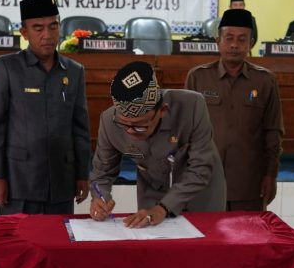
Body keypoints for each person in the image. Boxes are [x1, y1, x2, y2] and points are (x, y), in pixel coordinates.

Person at [0, 0, 90, 215]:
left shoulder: (74, 70)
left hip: (61, 181)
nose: (47, 35)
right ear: (24, 33)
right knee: (17, 237)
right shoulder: (6, 67)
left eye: (53, 27)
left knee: (59, 237)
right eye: (38, 28)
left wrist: (82, 174)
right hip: (19, 181)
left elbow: (80, 127)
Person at [89, 61, 226, 226]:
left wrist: (164, 208)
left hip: (198, 193)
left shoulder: (192, 106)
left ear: (162, 111)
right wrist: (99, 197)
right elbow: (102, 173)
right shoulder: (109, 121)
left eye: (140, 126)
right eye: (124, 124)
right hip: (152, 193)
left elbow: (201, 167)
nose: (130, 131)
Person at [185, 8, 283, 211]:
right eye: (229, 38)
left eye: (242, 39)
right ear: (218, 41)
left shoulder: (265, 81)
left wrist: (271, 174)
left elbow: (273, 131)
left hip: (248, 184)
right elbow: (184, 130)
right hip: (204, 182)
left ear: (251, 43)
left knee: (247, 232)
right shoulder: (198, 77)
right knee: (205, 232)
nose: (234, 45)